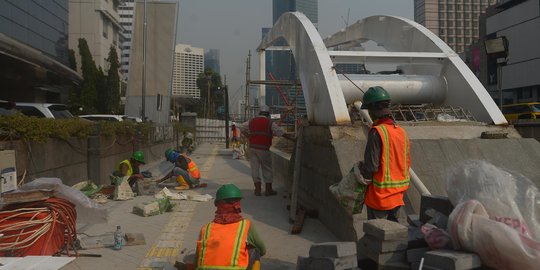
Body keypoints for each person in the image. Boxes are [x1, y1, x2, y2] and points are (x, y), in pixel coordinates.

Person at [356, 86, 411, 222]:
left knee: (377, 237)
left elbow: (371, 167)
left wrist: (358, 175)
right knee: (394, 238)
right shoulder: (401, 132)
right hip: (397, 197)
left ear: (372, 111)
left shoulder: (377, 132)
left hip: (379, 199)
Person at [195, 184, 265, 270]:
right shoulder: (245, 225)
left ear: (217, 204)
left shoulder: (206, 228)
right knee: (255, 250)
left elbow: (197, 259)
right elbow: (262, 250)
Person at [238, 105, 294, 196]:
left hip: (253, 148)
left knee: (255, 169)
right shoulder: (270, 123)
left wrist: (248, 136)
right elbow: (280, 132)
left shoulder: (252, 121)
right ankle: (268, 190)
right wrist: (293, 139)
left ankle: (257, 190)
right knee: (267, 169)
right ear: (268, 114)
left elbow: (240, 127)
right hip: (264, 149)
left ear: (259, 113)